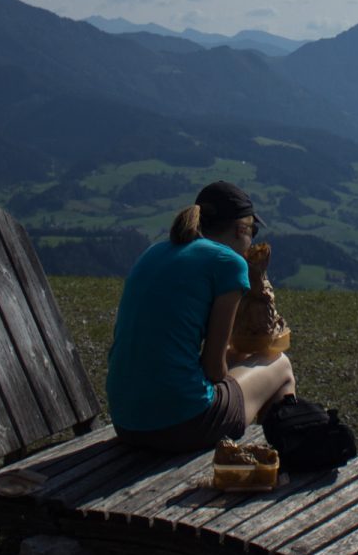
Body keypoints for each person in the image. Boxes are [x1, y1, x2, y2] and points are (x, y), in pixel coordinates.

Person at [106, 180, 296, 452]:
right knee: (280, 365)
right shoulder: (230, 264)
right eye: (252, 230)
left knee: (243, 359)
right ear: (241, 228)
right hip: (181, 423)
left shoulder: (155, 251)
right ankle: (289, 454)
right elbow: (213, 369)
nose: (252, 238)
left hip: (126, 422)